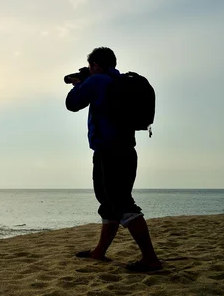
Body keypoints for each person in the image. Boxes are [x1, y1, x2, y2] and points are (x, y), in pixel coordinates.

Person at [65, 47, 163, 272]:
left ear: (96, 66)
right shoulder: (118, 81)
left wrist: (79, 84)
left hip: (110, 151)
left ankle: (151, 259)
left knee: (121, 203)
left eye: (90, 66)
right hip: (123, 150)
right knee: (109, 203)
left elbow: (72, 104)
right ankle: (99, 252)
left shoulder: (97, 80)